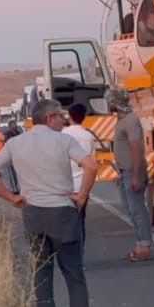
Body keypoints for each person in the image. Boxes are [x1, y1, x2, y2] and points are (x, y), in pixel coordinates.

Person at [0, 98, 97, 307]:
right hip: (63, 214)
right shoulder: (63, 140)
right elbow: (91, 166)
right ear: (49, 118)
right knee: (75, 280)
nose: (62, 121)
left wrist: (11, 198)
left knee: (42, 283)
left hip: (33, 216)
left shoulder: (15, 144)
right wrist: (82, 195)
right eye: (59, 117)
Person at [108, 89, 153, 262]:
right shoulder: (121, 120)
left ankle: (144, 246)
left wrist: (136, 175)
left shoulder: (130, 120)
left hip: (133, 172)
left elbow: (136, 148)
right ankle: (139, 244)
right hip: (125, 172)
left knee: (138, 210)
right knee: (131, 211)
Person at [63, 103, 97, 249]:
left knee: (67, 223)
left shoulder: (63, 135)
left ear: (69, 116)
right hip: (83, 184)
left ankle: (70, 254)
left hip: (66, 184)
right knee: (80, 222)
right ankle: (79, 254)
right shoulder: (88, 136)